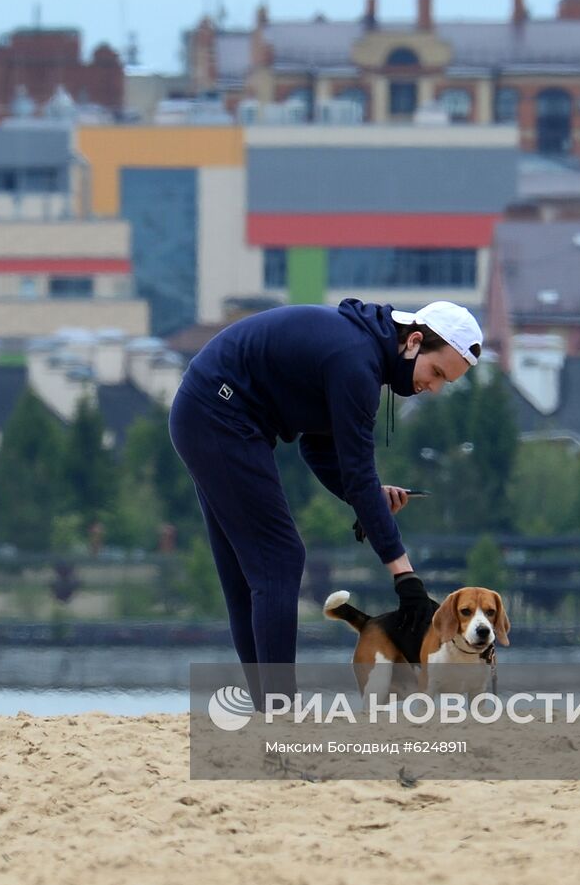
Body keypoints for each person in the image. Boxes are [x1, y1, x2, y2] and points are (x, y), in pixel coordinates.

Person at [168, 299, 482, 709]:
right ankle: (278, 712)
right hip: (219, 417)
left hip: (207, 415)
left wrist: (368, 496)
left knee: (252, 569)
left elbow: (318, 450)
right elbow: (357, 473)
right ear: (414, 342)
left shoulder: (363, 353)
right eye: (436, 372)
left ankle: (268, 709)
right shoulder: (357, 363)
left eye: (446, 382)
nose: (434, 387)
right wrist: (406, 578)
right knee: (279, 558)